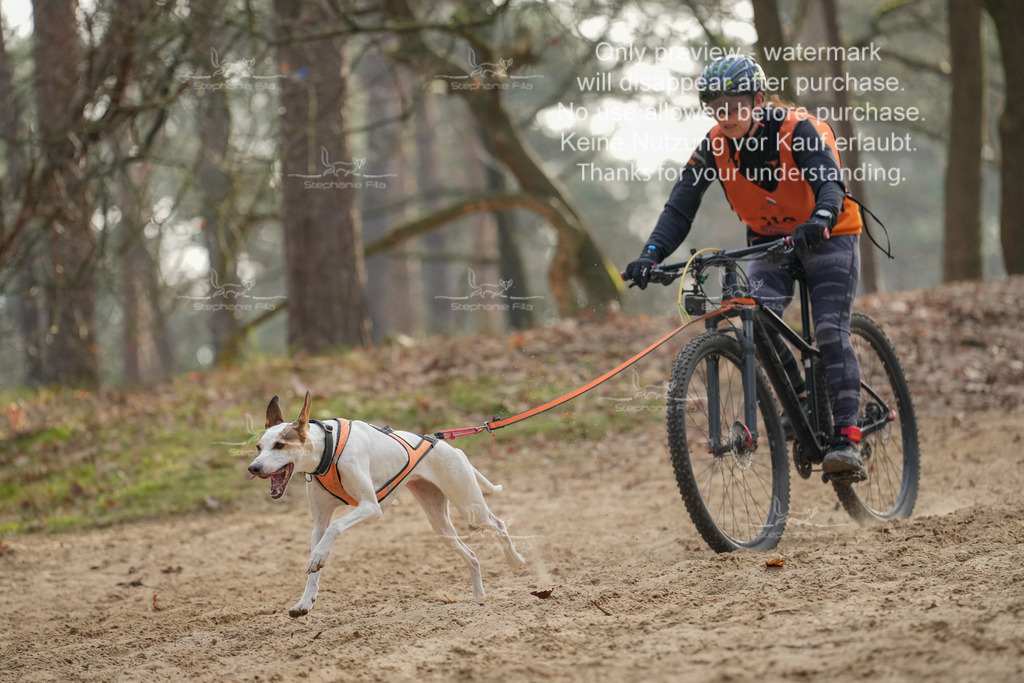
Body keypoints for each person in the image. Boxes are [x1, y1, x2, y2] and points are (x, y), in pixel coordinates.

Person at [623, 55, 866, 480]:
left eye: (734, 106)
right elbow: (680, 208)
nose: (726, 117)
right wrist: (651, 255)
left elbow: (828, 180)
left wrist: (823, 217)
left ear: (756, 100)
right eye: (716, 108)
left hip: (829, 234)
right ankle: (805, 397)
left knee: (829, 329)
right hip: (771, 241)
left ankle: (847, 437)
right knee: (755, 313)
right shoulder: (714, 145)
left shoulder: (797, 129)